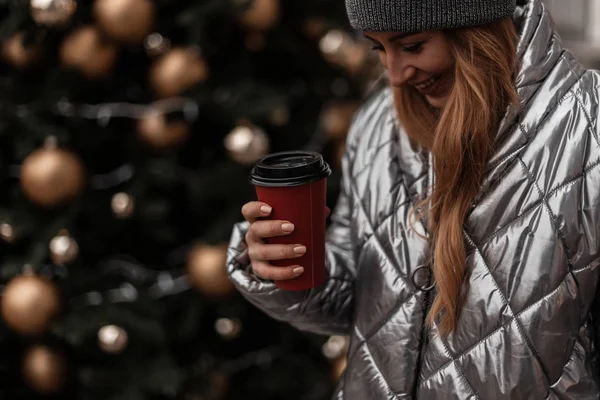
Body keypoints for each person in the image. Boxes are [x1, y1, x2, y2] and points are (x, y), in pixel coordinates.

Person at [227, 0, 600, 397]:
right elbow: (361, 294)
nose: (395, 74)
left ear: (475, 27)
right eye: (378, 48)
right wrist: (284, 264)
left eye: (414, 45)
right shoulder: (378, 124)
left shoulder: (588, 128)